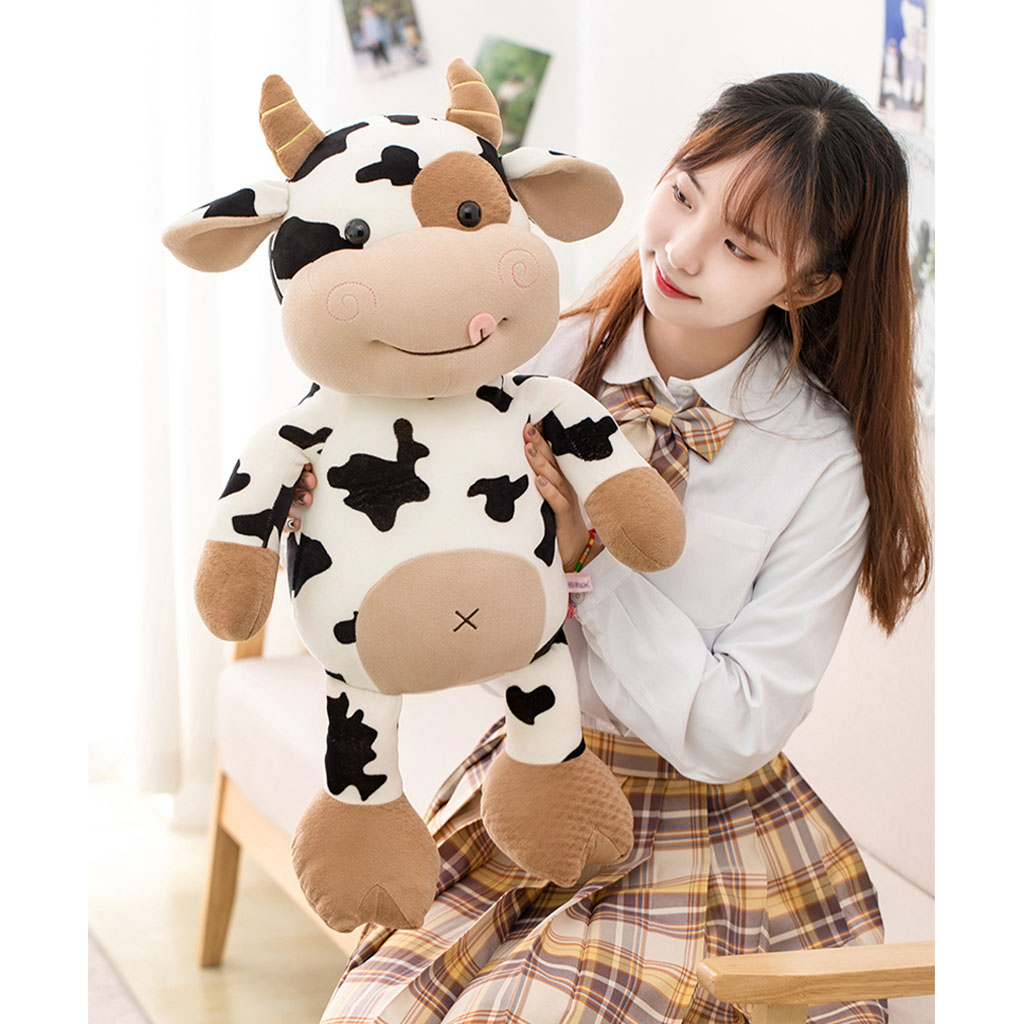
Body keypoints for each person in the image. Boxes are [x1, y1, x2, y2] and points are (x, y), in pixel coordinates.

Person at [288, 71, 931, 1024]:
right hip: (530, 771)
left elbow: (733, 731)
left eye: (740, 245)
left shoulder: (819, 460)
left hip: (707, 831)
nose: (683, 249)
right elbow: (457, 630)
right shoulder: (530, 361)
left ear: (807, 283)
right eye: (683, 194)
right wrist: (341, 524)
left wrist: (591, 562)